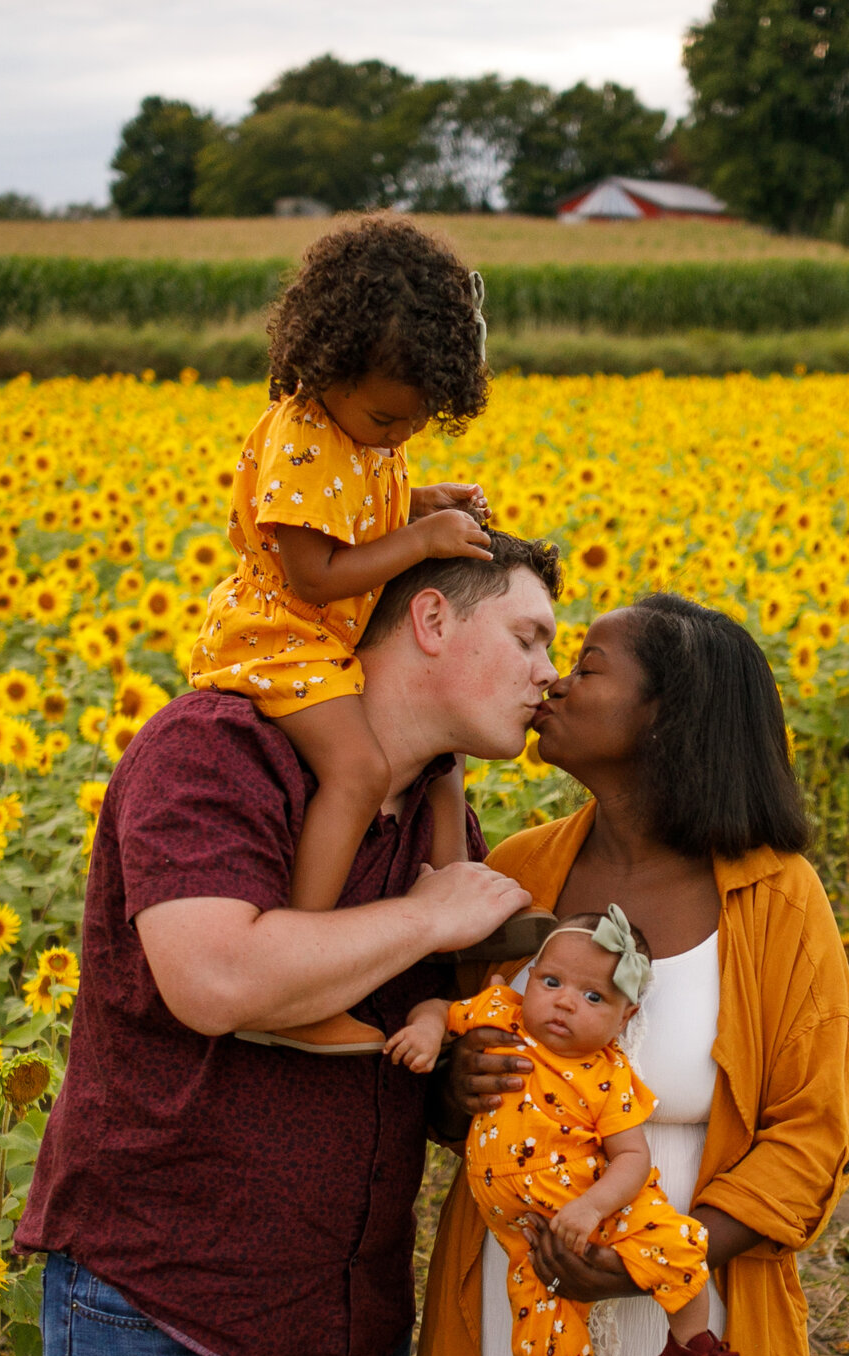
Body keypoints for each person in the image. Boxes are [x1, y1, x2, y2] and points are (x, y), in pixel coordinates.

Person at [17, 534, 561, 1356]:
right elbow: (215, 979)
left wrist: (473, 1072)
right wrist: (430, 919)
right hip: (165, 1312)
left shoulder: (442, 811)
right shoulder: (218, 745)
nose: (547, 671)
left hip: (348, 1325)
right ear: (428, 620)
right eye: (527, 636)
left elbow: (417, 1048)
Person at [410, 593, 849, 1356]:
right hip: (513, 1309)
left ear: (669, 715)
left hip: (688, 1316)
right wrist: (454, 1085)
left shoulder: (775, 899)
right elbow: (443, 1083)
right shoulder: (517, 869)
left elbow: (815, 1131)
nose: (554, 680)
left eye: (590, 664)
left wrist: (665, 1258)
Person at [184, 212, 538, 1056]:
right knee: (359, 767)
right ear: (329, 367)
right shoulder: (306, 437)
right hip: (280, 633)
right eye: (388, 420)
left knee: (435, 771)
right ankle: (298, 981)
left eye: (416, 424)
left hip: (320, 635)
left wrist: (420, 500)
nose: (399, 436)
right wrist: (417, 542)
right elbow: (313, 572)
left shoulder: (356, 430)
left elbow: (356, 507)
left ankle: (449, 948)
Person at [387, 909, 753, 1356]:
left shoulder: (608, 1076)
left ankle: (691, 1342)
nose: (562, 1004)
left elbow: (632, 1159)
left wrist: (592, 1207)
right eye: (550, 982)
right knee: (540, 1341)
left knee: (678, 1240)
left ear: (625, 1017)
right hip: (528, 1241)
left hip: (603, 1209)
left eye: (592, 996)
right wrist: (430, 1033)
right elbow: (436, 1005)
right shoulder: (500, 1016)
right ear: (528, 980)